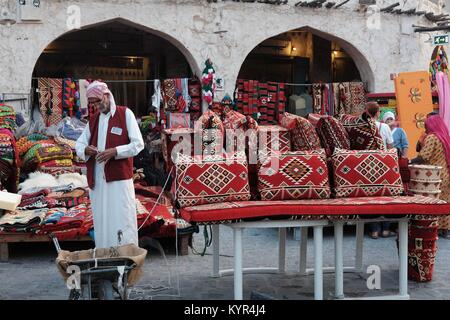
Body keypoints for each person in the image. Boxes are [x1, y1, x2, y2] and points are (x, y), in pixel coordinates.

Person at [75, 81, 145, 248]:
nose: (97, 106)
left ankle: (126, 256)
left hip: (119, 181)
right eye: (93, 104)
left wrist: (115, 151)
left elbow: (138, 144)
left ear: (107, 96)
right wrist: (87, 149)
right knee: (102, 219)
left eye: (98, 102)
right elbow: (78, 144)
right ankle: (104, 255)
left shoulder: (125, 114)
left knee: (122, 217)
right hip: (98, 182)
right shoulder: (93, 120)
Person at [410, 115, 450, 239]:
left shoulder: (432, 137)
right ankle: (446, 230)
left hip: (434, 176)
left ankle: (434, 229)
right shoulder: (444, 136)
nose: (426, 128)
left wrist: (410, 161)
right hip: (446, 174)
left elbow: (424, 156)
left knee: (434, 203)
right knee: (445, 202)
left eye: (427, 125)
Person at [365, 102, 396, 238]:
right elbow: (390, 147)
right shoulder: (384, 127)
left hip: (366, 166)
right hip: (384, 165)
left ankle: (374, 230)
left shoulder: (362, 126)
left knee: (371, 198)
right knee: (386, 197)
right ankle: (385, 229)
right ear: (378, 113)